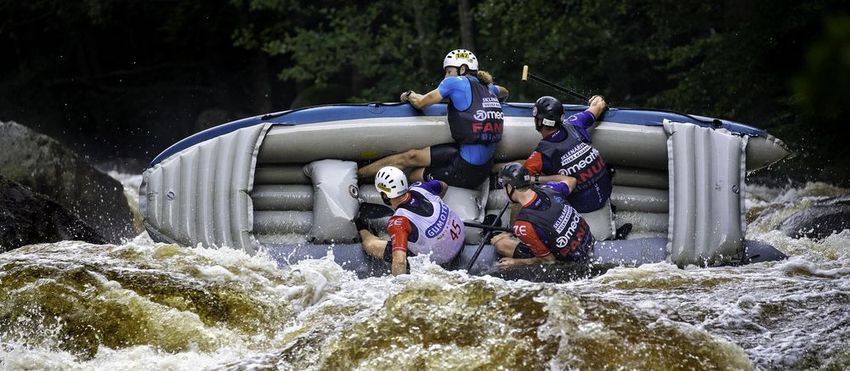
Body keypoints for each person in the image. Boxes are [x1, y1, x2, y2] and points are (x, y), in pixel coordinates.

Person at [357, 49, 508, 190]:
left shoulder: (455, 83)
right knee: (411, 156)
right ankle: (361, 175)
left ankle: (359, 177)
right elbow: (504, 92)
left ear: (462, 69)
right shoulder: (489, 88)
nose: (445, 77)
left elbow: (420, 102)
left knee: (414, 174)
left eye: (449, 71)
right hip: (472, 160)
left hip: (467, 171)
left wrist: (408, 94)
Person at [355, 166, 466, 276]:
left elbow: (399, 261)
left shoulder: (399, 221)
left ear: (385, 195)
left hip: (443, 261)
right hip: (461, 241)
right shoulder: (421, 187)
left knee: (370, 245)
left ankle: (361, 227)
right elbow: (444, 186)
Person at [491, 163, 595, 269]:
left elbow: (549, 261)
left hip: (569, 265)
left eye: (504, 187)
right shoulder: (550, 188)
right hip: (588, 244)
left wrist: (516, 262)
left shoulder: (523, 225)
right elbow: (571, 180)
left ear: (510, 187)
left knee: (501, 245)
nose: (504, 192)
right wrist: (535, 179)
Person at [523, 95, 612, 213]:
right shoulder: (575, 123)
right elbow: (599, 103)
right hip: (606, 192)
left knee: (528, 186)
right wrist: (595, 98)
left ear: (539, 121)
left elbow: (520, 180)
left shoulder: (539, 155)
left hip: (582, 205)